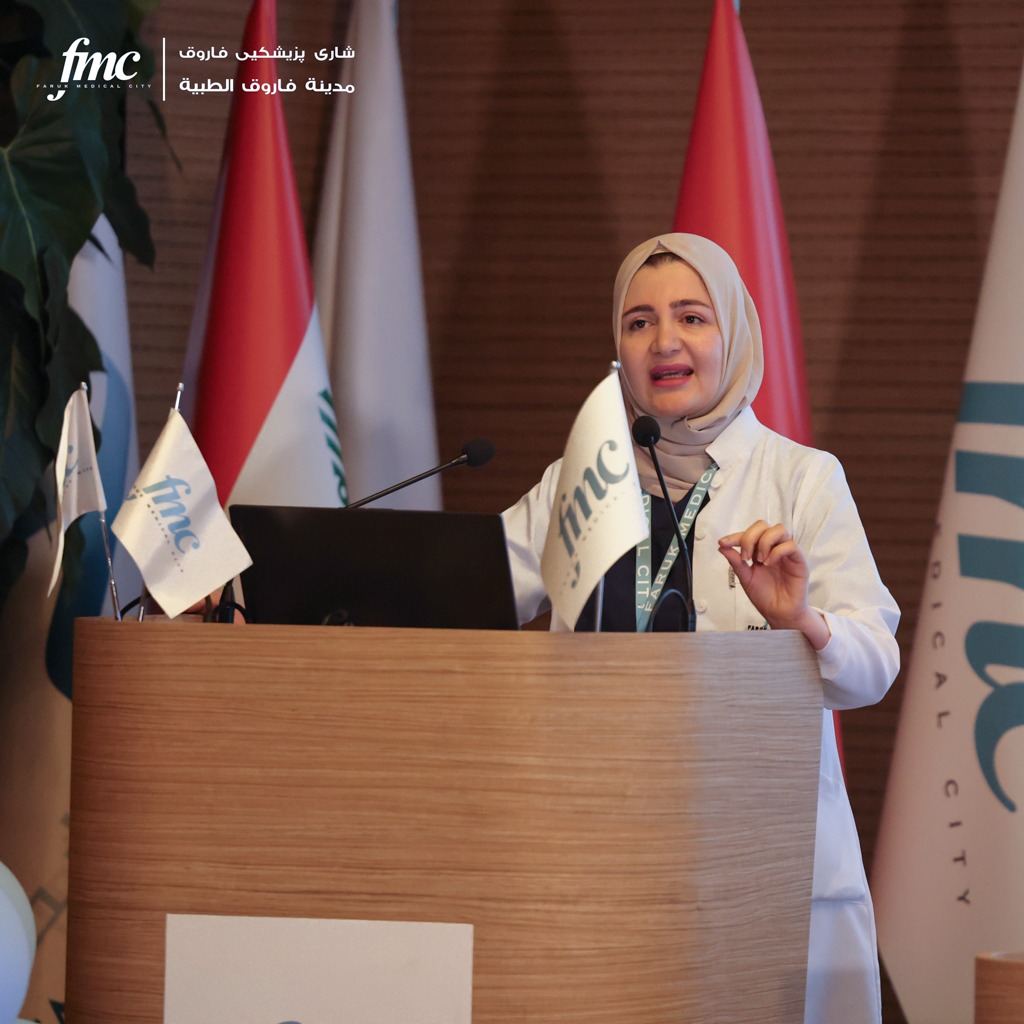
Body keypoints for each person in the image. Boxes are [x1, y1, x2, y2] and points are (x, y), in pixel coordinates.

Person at [501, 232, 900, 1023]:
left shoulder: (801, 478)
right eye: (639, 322)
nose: (664, 342)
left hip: (763, 854)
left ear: (734, 335)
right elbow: (464, 592)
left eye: (692, 317)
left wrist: (800, 620)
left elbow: (874, 665)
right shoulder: (581, 483)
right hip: (606, 846)